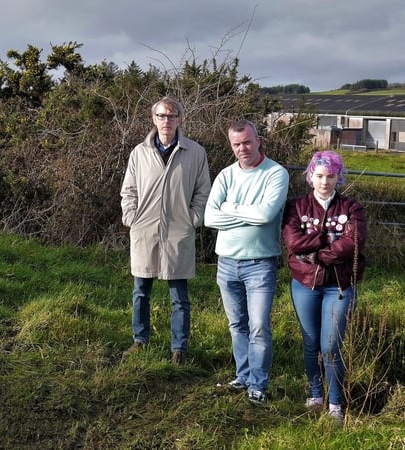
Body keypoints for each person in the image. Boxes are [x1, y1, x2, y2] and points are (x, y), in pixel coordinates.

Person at [120, 96, 211, 365]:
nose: (166, 121)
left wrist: (193, 218)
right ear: (154, 119)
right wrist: (131, 217)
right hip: (144, 230)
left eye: (171, 116)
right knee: (140, 291)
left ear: (180, 119)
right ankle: (140, 340)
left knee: (179, 296)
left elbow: (202, 191)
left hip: (178, 231)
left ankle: (179, 349)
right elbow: (129, 190)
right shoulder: (140, 152)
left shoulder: (195, 152)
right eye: (161, 116)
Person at [204, 119, 289, 403]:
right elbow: (209, 218)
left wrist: (229, 208)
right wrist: (246, 214)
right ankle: (243, 377)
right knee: (236, 324)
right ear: (231, 145)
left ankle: (258, 385)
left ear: (258, 140)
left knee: (258, 327)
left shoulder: (276, 173)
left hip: (260, 264)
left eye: (247, 142)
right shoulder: (226, 176)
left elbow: (266, 215)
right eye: (237, 144)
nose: (243, 148)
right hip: (226, 262)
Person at [282, 150, 367, 422]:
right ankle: (316, 394)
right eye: (319, 176)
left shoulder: (352, 208)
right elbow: (294, 244)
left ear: (339, 178)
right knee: (311, 343)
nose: (324, 182)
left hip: (339, 285)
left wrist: (318, 253)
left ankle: (335, 403)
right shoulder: (295, 207)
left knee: (331, 345)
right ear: (310, 176)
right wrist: (324, 239)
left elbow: (352, 243)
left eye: (331, 176)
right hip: (305, 283)